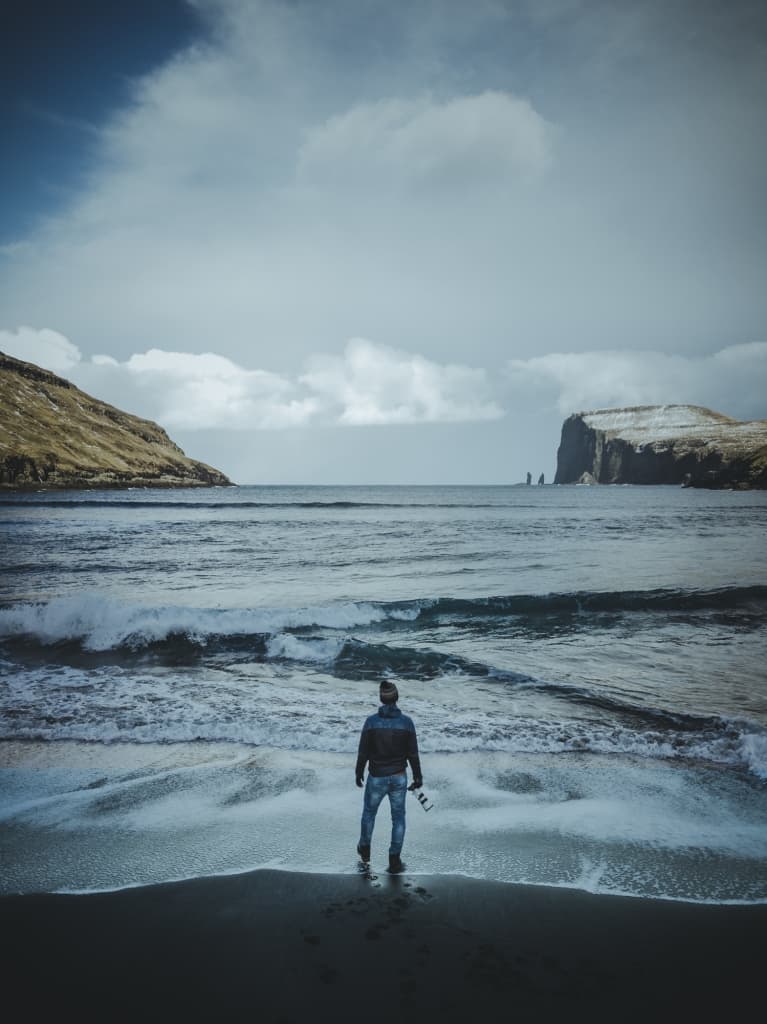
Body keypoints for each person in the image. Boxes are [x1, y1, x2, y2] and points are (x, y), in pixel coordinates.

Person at [355, 679, 422, 873]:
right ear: (397, 698)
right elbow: (413, 754)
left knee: (369, 814)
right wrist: (418, 777)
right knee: (398, 818)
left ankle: (365, 852)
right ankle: (394, 860)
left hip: (376, 777)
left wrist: (359, 771)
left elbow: (363, 752)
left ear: (381, 699)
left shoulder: (371, 722)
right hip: (399, 777)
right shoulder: (407, 723)